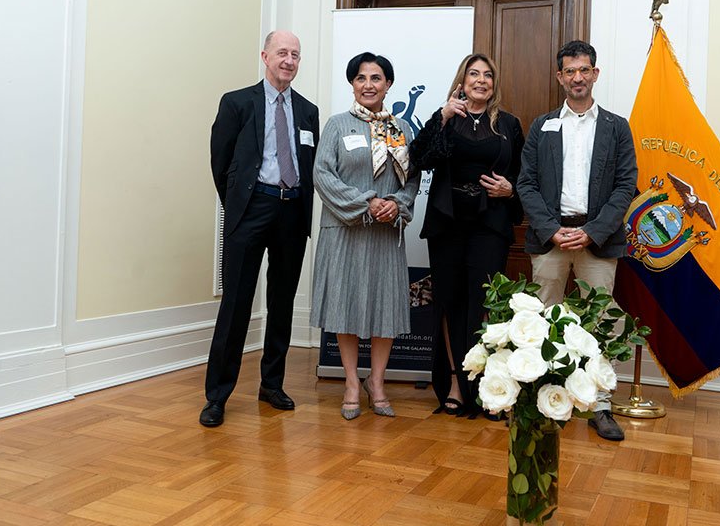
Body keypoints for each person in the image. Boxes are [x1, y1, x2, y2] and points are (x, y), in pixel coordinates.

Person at [517, 40, 637, 441]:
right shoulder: (542, 125)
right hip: (551, 236)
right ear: (560, 77)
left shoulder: (616, 127)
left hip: (597, 238)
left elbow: (625, 186)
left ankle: (601, 405)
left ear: (595, 74)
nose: (577, 77)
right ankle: (546, 400)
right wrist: (552, 229)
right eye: (569, 71)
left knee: (600, 321)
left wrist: (592, 231)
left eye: (584, 70)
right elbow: (526, 184)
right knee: (543, 321)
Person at [202, 30, 320, 427]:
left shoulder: (308, 110)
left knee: (282, 302)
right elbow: (221, 162)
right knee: (235, 303)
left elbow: (308, 163)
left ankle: (272, 384)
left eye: (296, 55)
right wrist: (240, 202)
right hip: (251, 209)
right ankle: (217, 395)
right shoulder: (237, 102)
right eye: (282, 53)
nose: (289, 60)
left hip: (292, 211)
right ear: (265, 56)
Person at [409, 54, 524, 419]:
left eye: (488, 75)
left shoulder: (508, 124)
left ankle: (491, 389)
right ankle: (456, 383)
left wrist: (511, 190)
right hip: (448, 225)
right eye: (473, 74)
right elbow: (418, 159)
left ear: (494, 83)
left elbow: (526, 177)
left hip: (489, 226)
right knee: (450, 304)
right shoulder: (445, 119)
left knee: (486, 307)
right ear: (462, 80)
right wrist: (442, 116)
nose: (481, 80)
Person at [310, 52, 421, 420]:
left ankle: (377, 381)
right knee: (346, 305)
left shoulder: (402, 129)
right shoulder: (337, 125)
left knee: (385, 307)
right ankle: (351, 383)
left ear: (388, 84)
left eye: (376, 78)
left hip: (386, 233)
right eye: (361, 78)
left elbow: (413, 181)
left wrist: (396, 203)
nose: (368, 85)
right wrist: (366, 202)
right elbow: (323, 176)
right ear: (352, 84)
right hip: (346, 230)